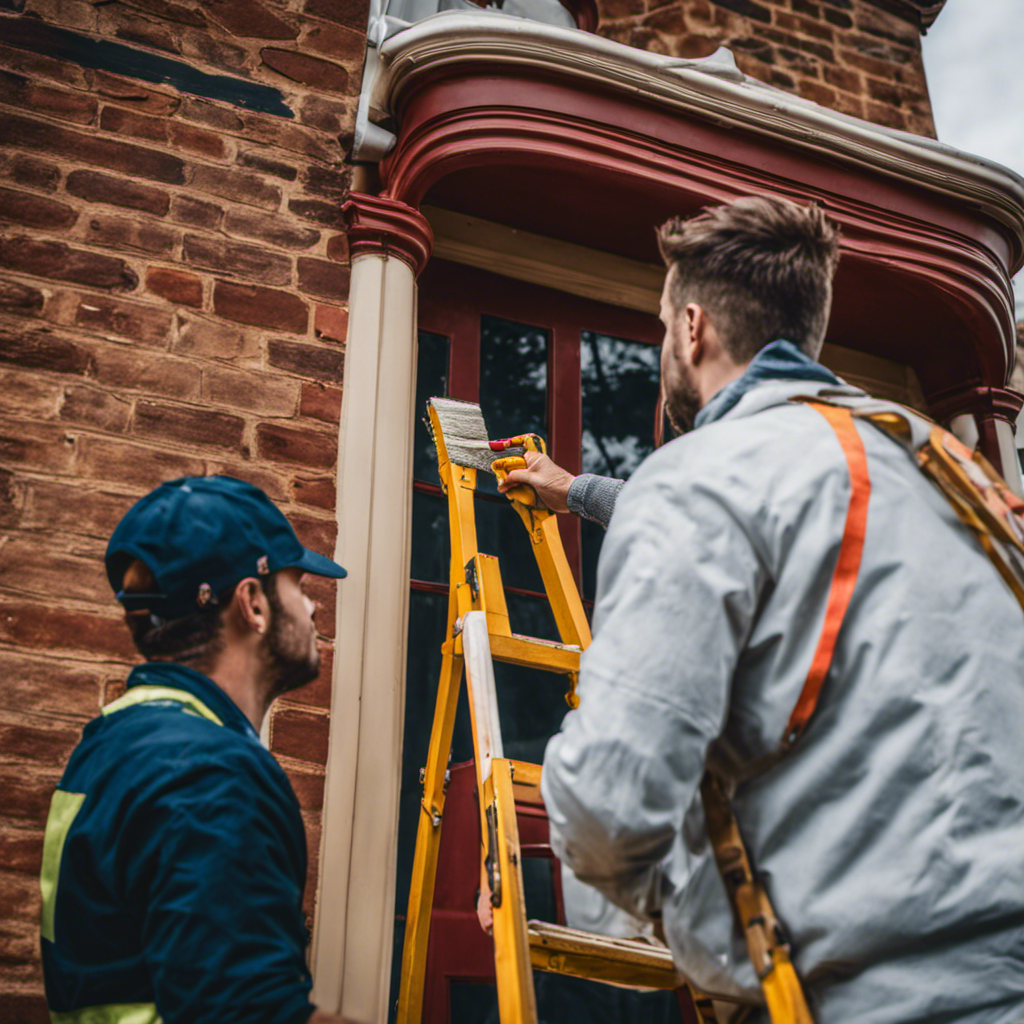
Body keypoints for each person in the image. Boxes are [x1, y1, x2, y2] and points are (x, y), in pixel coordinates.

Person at [499, 196, 1024, 1023]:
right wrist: (575, 490)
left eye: (663, 321)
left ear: (693, 329)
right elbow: (767, 509)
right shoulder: (955, 478)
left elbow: (610, 804)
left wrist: (678, 910)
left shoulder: (705, 477)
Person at [39, 475, 368, 1024]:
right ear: (253, 603)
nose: (312, 609)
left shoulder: (115, 738)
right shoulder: (207, 776)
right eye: (298, 586)